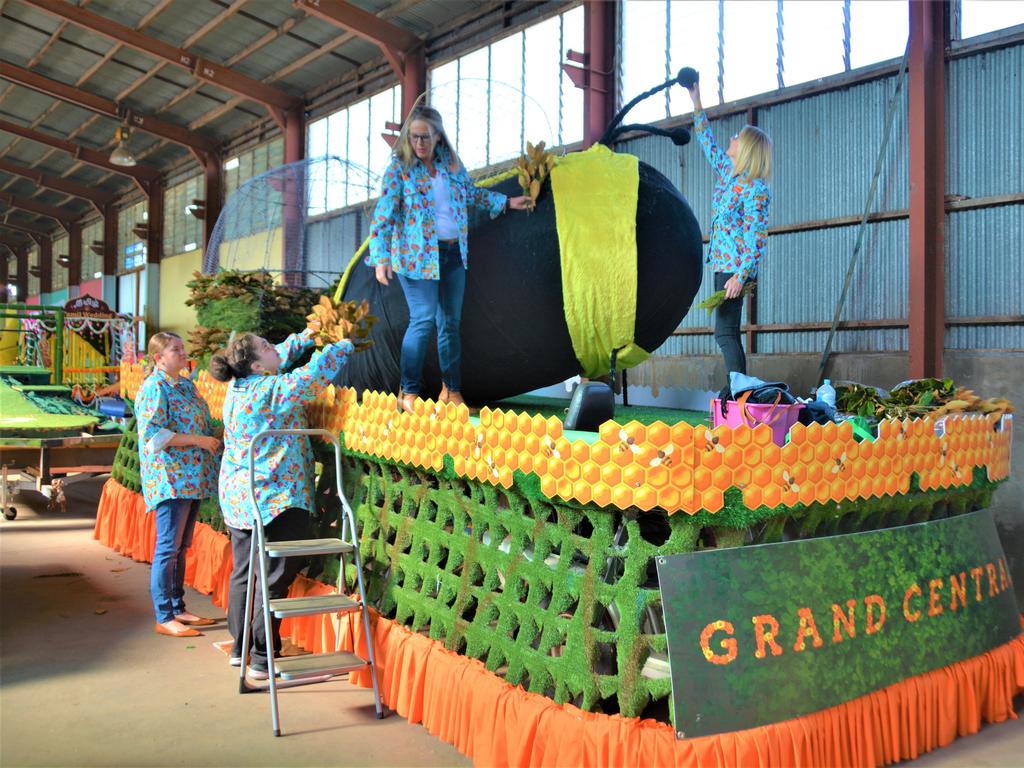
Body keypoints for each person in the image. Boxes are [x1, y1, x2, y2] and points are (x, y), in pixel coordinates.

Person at [366, 104, 531, 414]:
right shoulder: (399, 169)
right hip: (416, 258)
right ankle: (408, 391)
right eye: (413, 137)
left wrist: (506, 202)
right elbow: (383, 214)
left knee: (450, 324)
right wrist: (381, 257)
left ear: (438, 136)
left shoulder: (452, 166)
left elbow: (471, 194)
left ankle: (451, 391)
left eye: (425, 137)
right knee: (424, 319)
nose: (419, 144)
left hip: (454, 254)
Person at [209, 326, 352, 679]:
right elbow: (311, 376)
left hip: (240, 495)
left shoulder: (241, 385)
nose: (275, 348)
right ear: (257, 366)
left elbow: (282, 357)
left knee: (245, 571)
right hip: (273, 498)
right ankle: (262, 658)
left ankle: (241, 647)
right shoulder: (269, 391)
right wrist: (344, 343)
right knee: (273, 577)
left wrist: (307, 335)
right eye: (267, 346)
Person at [686, 80, 773, 386]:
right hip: (722, 265)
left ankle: (741, 394)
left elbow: (756, 236)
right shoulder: (728, 173)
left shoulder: (755, 190)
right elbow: (706, 140)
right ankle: (741, 392)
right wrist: (696, 99)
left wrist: (741, 275)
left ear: (745, 149)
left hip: (735, 270)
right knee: (726, 332)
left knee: (725, 333)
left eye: (738, 137)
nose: (732, 137)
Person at [134, 332, 221, 638]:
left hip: (192, 476)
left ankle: (177, 606)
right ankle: (163, 615)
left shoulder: (184, 384)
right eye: (176, 350)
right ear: (159, 358)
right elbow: (154, 436)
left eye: (183, 348)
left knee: (181, 546)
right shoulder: (154, 387)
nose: (183, 354)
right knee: (168, 547)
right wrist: (199, 440)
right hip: (171, 478)